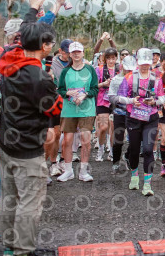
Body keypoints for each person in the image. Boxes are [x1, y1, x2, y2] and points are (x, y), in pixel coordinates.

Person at [0, 21, 62, 256]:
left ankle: (8, 248)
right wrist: (54, 88)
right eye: (50, 43)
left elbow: (19, 38)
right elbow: (55, 108)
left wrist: (33, 10)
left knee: (9, 197)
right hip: (27, 148)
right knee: (29, 203)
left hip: (4, 141)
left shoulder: (8, 61)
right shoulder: (40, 78)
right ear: (45, 46)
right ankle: (22, 253)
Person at [116, 48, 165, 196]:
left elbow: (162, 98)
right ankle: (134, 176)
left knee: (148, 150)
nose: (144, 66)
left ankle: (147, 184)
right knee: (134, 148)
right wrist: (132, 101)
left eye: (147, 63)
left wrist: (154, 102)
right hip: (133, 118)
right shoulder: (129, 77)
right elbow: (120, 97)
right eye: (142, 63)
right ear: (137, 62)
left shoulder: (156, 78)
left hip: (151, 118)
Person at [57, 42, 99, 182]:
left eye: (78, 52)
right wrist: (68, 93)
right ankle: (68, 170)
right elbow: (60, 89)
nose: (76, 54)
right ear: (69, 54)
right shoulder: (65, 71)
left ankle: (83, 171)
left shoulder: (90, 69)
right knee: (67, 140)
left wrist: (84, 95)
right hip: (69, 110)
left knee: (85, 140)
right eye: (73, 52)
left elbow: (95, 88)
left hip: (87, 109)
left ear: (82, 53)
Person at [108, 55, 136, 174]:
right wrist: (123, 100)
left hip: (134, 112)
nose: (129, 71)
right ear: (122, 66)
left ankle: (127, 155)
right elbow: (111, 97)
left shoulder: (137, 78)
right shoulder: (116, 80)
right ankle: (115, 163)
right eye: (127, 68)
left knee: (135, 139)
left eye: (131, 69)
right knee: (118, 139)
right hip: (120, 111)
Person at [95, 47, 119, 162]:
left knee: (113, 127)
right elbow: (94, 85)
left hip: (115, 102)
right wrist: (104, 83)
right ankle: (100, 149)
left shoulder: (120, 70)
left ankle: (112, 152)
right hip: (102, 101)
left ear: (116, 58)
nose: (111, 61)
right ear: (105, 59)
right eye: (108, 58)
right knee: (103, 127)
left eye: (113, 58)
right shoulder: (99, 69)